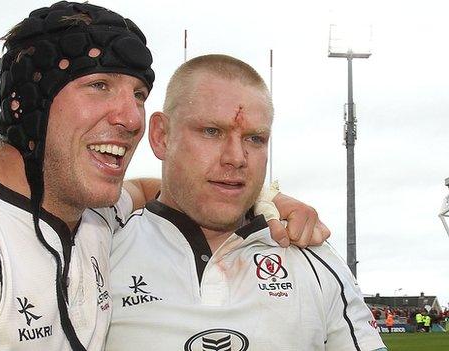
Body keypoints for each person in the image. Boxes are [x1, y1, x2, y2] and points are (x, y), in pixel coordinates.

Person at [0, 2, 328, 351]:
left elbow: (160, 189)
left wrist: (266, 199)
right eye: (99, 85)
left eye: (137, 94)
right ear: (30, 105)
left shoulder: (96, 217)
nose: (130, 117)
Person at [106, 54, 386, 350]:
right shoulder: (100, 246)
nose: (236, 158)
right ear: (162, 136)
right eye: (212, 132)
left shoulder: (314, 257)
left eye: (255, 139)